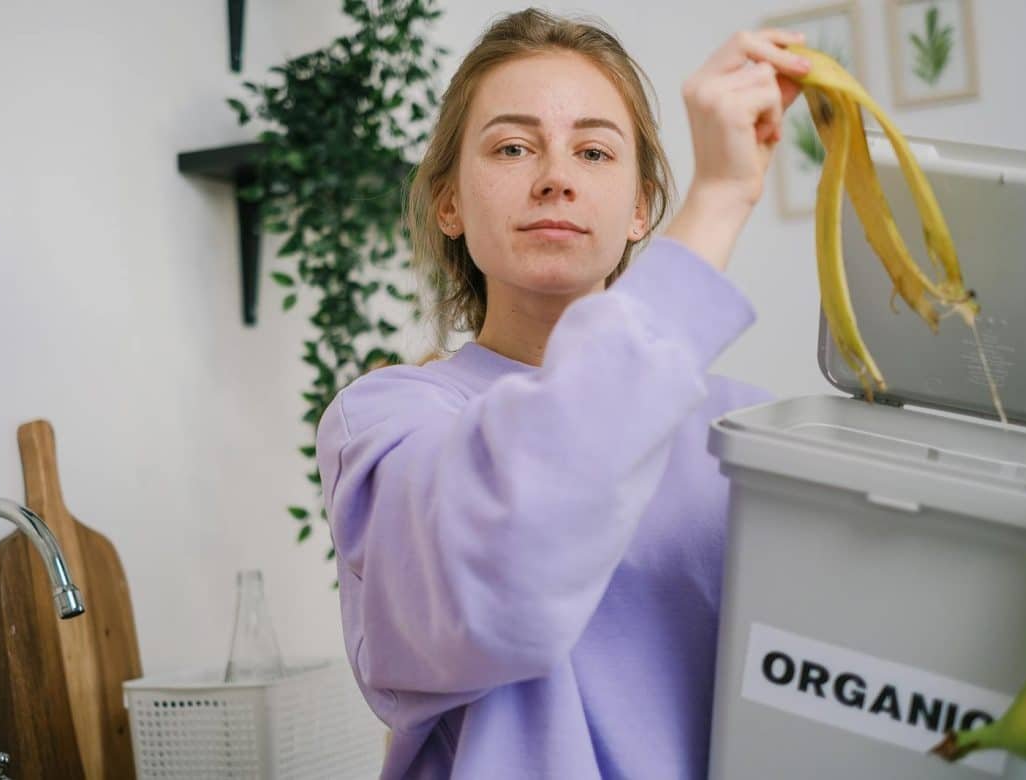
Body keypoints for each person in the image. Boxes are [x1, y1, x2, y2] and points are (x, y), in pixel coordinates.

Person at [315, 8, 810, 778]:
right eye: (513, 147)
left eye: (593, 151)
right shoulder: (389, 422)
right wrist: (719, 199)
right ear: (449, 203)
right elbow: (507, 571)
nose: (555, 177)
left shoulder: (749, 432)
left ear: (641, 208)